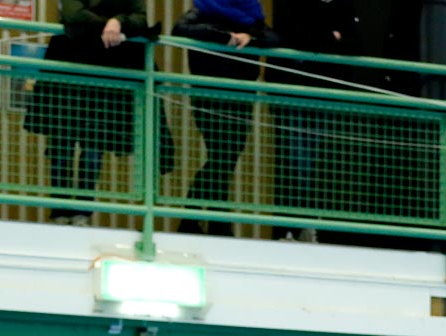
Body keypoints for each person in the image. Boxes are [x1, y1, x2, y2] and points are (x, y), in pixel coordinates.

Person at [24, 0, 155, 225]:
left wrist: (116, 22)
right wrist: (110, 26)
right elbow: (74, 14)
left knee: (93, 148)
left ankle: (83, 210)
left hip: (102, 78)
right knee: (62, 147)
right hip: (67, 76)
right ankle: (60, 209)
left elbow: (141, 19)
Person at [172, 0, 277, 237]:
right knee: (222, 155)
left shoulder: (251, 15)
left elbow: (273, 38)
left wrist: (251, 39)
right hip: (210, 96)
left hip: (240, 98)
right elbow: (181, 29)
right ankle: (211, 220)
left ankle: (198, 219)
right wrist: (225, 37)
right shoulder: (204, 9)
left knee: (226, 157)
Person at [268, 0, 360, 243]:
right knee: (295, 161)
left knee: (313, 162)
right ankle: (291, 226)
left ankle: (302, 225)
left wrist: (325, 38)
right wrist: (332, 38)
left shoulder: (344, 5)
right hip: (293, 91)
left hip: (321, 94)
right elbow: (294, 35)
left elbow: (355, 43)